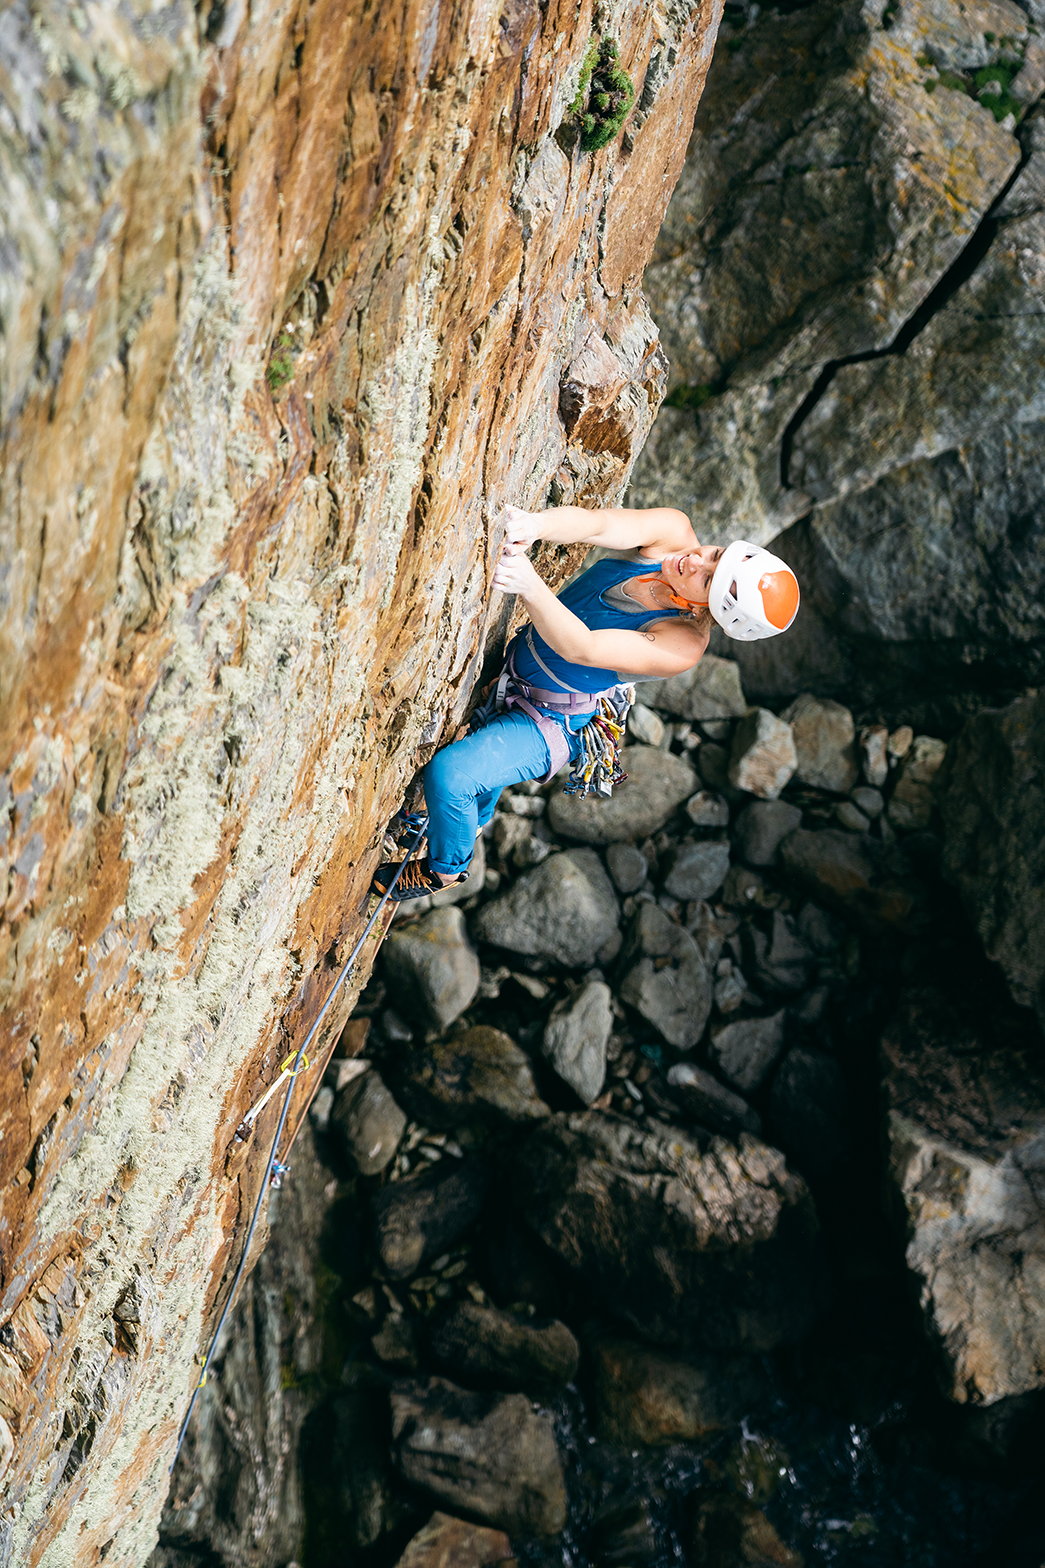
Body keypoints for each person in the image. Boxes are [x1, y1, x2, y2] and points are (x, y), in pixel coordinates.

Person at [373, 503, 799, 900]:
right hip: (518, 674)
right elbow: (599, 525)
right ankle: (461, 820)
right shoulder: (674, 532)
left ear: (709, 610)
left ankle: (445, 870)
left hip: (548, 719)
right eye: (716, 554)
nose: (695, 560)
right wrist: (537, 525)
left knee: (451, 776)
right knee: (475, 777)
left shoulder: (683, 644)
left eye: (707, 580)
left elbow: (583, 649)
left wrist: (529, 585)